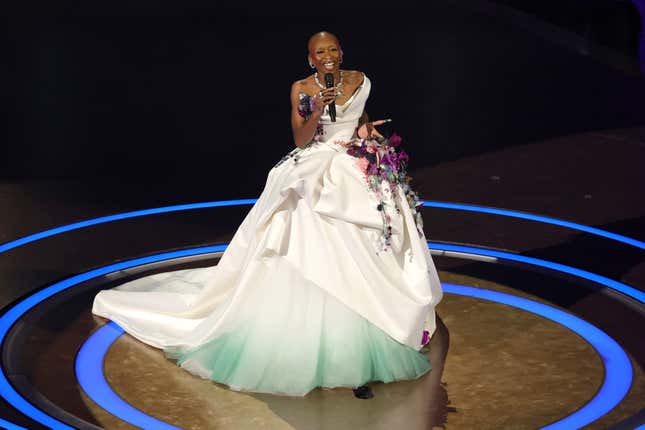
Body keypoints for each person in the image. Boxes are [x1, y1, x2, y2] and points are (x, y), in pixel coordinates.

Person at [92, 31, 443, 399]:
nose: (328, 56)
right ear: (310, 58)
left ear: (341, 52)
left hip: (353, 164)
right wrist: (318, 111)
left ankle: (371, 321)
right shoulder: (303, 90)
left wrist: (366, 131)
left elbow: (360, 116)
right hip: (317, 165)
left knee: (368, 238)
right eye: (320, 52)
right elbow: (301, 139)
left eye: (333, 49)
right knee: (306, 228)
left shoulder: (359, 80)